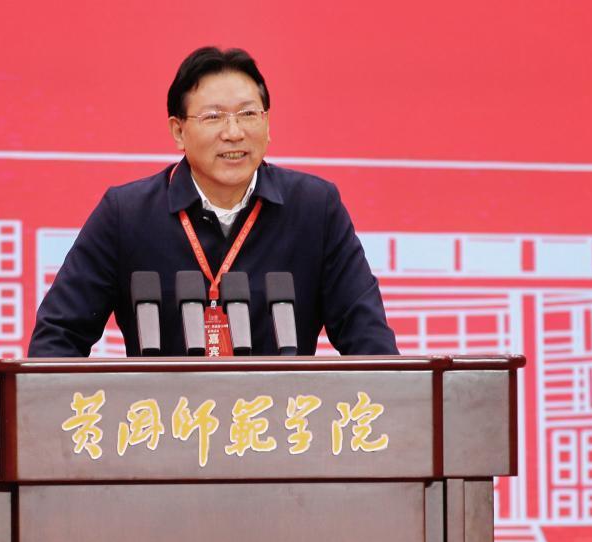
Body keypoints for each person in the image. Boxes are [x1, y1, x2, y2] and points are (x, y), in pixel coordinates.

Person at [27, 46, 397, 357]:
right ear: (178, 131)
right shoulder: (126, 214)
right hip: (162, 418)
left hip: (281, 418)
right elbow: (57, 338)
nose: (234, 133)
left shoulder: (315, 208)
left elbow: (369, 339)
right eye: (214, 117)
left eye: (248, 114)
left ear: (268, 125)